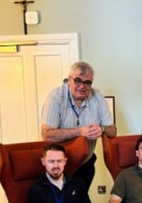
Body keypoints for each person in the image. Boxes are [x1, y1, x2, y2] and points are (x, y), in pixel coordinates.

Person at [40, 61, 116, 189]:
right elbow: (47, 134)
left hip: (85, 162)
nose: (82, 86)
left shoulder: (98, 97)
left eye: (87, 83)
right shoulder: (56, 97)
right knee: (59, 200)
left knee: (81, 199)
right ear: (69, 80)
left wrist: (102, 129)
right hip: (59, 165)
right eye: (78, 81)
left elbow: (113, 131)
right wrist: (80, 131)